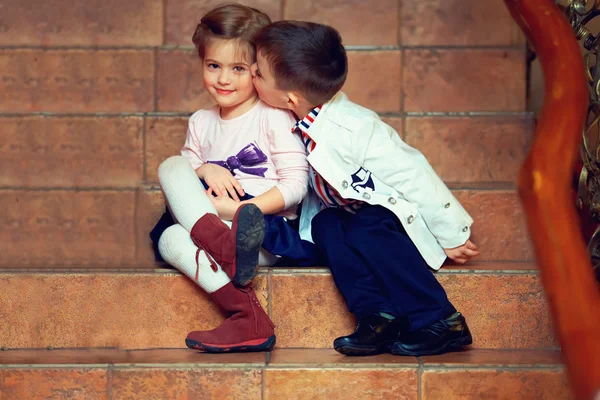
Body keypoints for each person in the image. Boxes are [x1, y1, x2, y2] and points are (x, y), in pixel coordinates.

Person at [251, 21, 480, 356]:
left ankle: (442, 320)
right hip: (343, 213)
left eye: (258, 74)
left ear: (290, 97)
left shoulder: (355, 127)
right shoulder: (293, 118)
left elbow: (412, 174)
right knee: (325, 226)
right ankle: (379, 315)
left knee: (367, 226)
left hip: (386, 218)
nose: (251, 73)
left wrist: (452, 233)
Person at [152, 4, 313, 353]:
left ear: (259, 70)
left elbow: (296, 186)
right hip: (215, 230)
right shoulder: (200, 121)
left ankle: (233, 256)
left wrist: (243, 211)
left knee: (178, 231)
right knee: (170, 227)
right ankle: (245, 313)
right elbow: (180, 185)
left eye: (238, 69)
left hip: (258, 235)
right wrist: (205, 169)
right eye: (214, 66)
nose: (224, 79)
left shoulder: (273, 117)